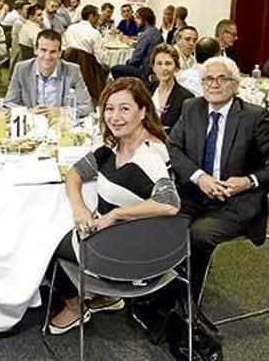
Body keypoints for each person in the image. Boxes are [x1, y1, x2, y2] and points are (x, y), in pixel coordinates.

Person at [47, 77, 180, 334]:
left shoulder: (149, 154)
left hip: (134, 255)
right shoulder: (114, 145)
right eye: (109, 108)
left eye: (124, 108)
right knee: (62, 226)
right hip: (115, 237)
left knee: (46, 245)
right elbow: (75, 174)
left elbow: (170, 203)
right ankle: (107, 298)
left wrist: (115, 214)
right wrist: (80, 208)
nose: (115, 116)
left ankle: (75, 307)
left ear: (143, 112)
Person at [167, 57, 269, 298]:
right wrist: (199, 177)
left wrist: (249, 181)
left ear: (235, 84)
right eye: (207, 79)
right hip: (194, 194)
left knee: (197, 235)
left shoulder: (254, 117)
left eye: (221, 78)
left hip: (235, 202)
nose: (213, 84)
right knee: (163, 225)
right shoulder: (192, 108)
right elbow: (173, 147)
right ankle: (166, 293)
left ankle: (186, 305)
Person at [6, 29, 93, 117]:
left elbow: (87, 107)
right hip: (31, 124)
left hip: (59, 126)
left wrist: (61, 112)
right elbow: (9, 103)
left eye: (53, 52)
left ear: (60, 53)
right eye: (43, 50)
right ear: (35, 50)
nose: (47, 57)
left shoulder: (72, 71)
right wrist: (29, 112)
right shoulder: (22, 69)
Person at [148, 44, 194, 129]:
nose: (163, 68)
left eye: (168, 64)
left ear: (176, 67)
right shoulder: (147, 90)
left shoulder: (186, 97)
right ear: (153, 67)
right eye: (159, 64)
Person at [125, 7, 163, 79]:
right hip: (153, 68)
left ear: (145, 19)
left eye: (137, 18)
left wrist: (128, 62)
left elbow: (136, 58)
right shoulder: (155, 31)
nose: (135, 20)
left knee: (115, 68)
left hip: (144, 71)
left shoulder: (146, 34)